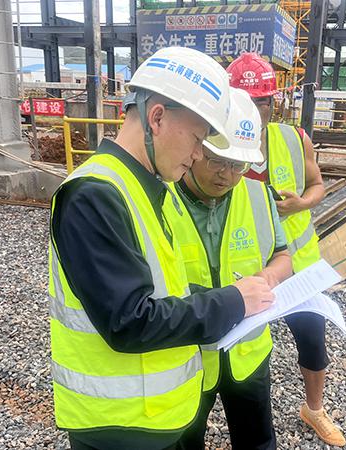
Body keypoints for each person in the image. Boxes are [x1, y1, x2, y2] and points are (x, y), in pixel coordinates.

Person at [48, 47, 275, 450]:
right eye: (198, 139)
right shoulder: (94, 195)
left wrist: (236, 297)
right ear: (156, 118)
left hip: (154, 418)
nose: (198, 154)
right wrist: (231, 302)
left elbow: (165, 292)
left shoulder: (145, 188)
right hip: (120, 429)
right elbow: (129, 321)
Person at [228, 52, 346, 447]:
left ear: (273, 103)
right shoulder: (217, 146)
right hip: (244, 270)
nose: (254, 110)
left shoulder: (294, 140)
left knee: (312, 339)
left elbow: (318, 185)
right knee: (237, 351)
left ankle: (314, 409)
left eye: (261, 102)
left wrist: (301, 204)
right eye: (244, 101)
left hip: (297, 268)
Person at [164, 88, 293, 450]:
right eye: (217, 161)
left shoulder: (257, 195)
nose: (227, 175)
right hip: (187, 354)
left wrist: (267, 278)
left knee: (257, 440)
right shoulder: (160, 199)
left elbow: (283, 256)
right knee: (185, 441)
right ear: (196, 148)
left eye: (239, 165)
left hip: (247, 353)